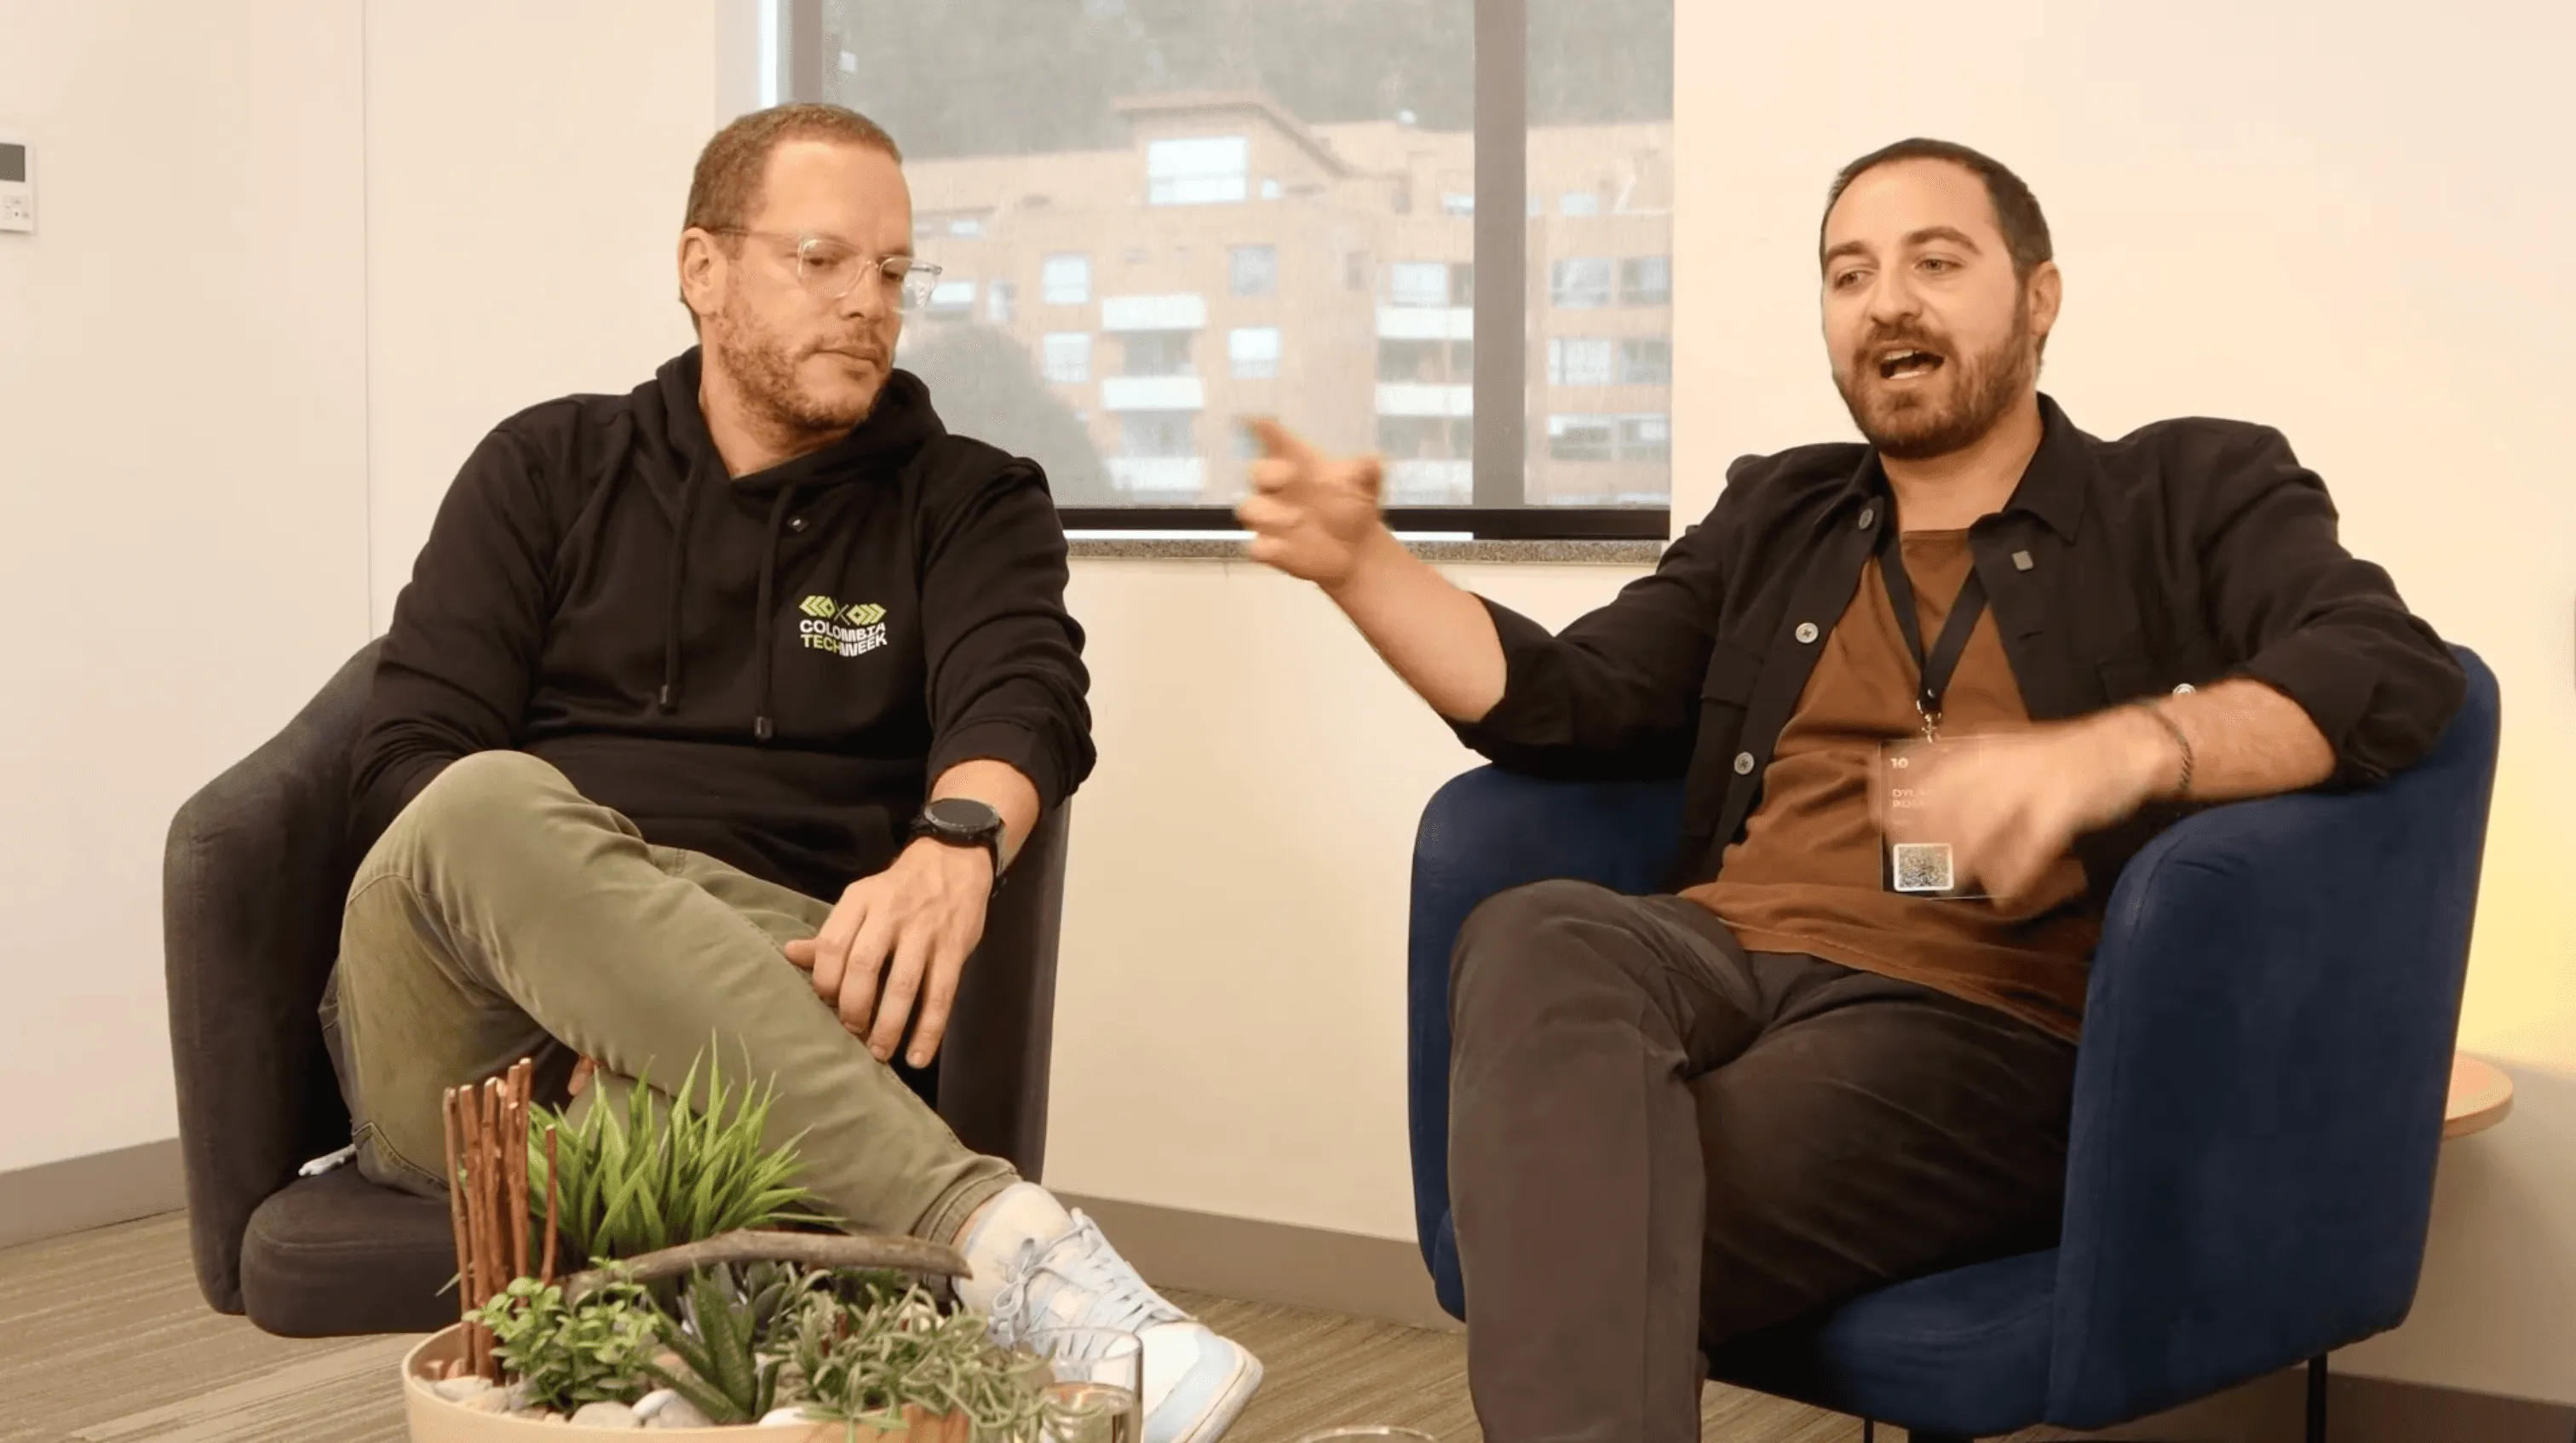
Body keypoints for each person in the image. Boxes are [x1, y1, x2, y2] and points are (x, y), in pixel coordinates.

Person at [1239, 137, 2464, 1440]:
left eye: (1937, 261)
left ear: (2038, 298)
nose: (1888, 301)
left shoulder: (2185, 490)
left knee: (1570, 1191)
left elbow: (2384, 669)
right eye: (1849, 273)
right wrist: (1365, 567)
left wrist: (2124, 749)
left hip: (1976, 1019)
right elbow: (1571, 700)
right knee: (1534, 926)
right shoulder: (1780, 509)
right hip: (1720, 954)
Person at [326, 103, 1260, 1443]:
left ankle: (1000, 1289)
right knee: (480, 799)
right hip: (482, 1046)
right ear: (703, 269)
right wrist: (612, 962)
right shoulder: (546, 468)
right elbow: (403, 774)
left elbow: (1029, 693)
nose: (866, 304)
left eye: (892, 273)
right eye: (821, 260)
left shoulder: (971, 498)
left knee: (717, 1114)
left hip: (763, 1054)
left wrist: (955, 841)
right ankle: (1005, 1247)